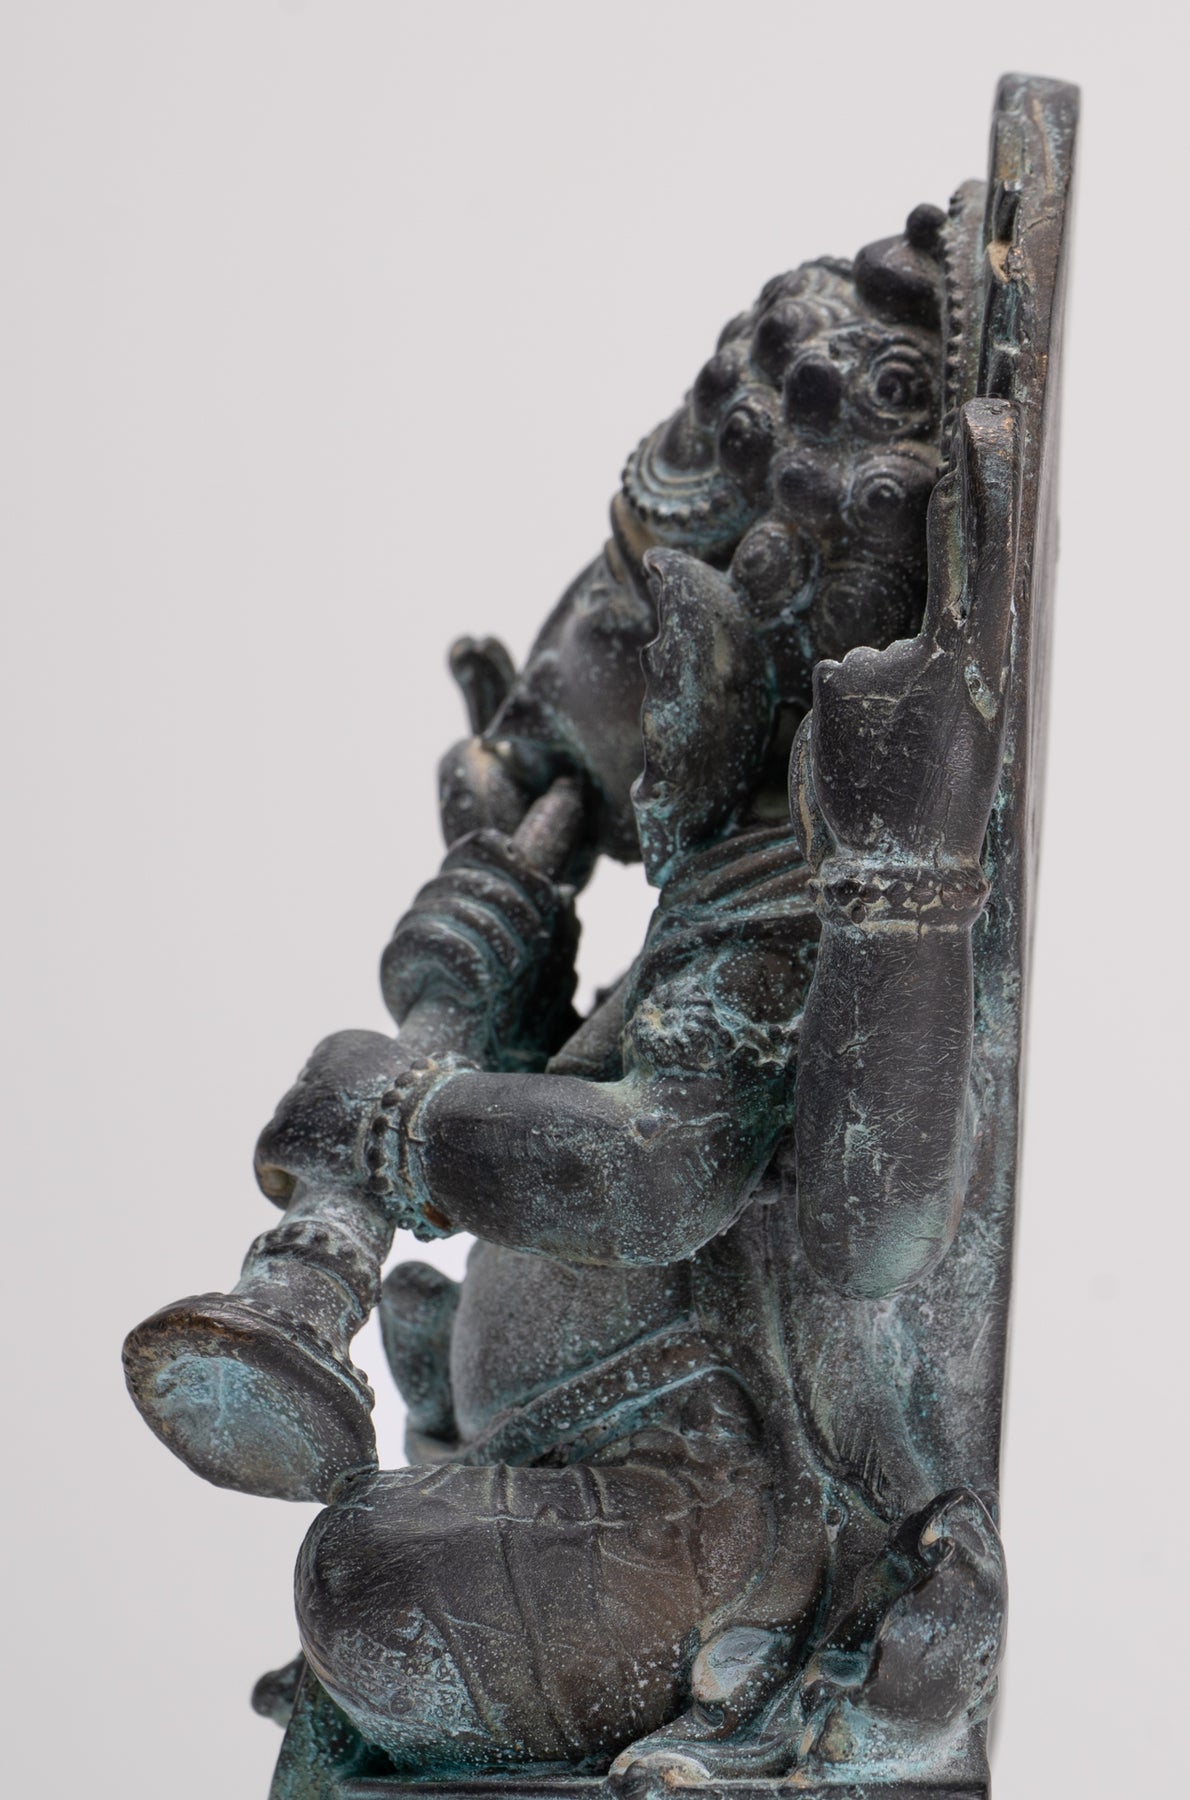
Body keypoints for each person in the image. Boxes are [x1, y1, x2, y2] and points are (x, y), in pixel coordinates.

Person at [252, 208, 1010, 1780]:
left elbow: (658, 1168)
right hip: (582, 1439)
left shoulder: (794, 889)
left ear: (724, 631)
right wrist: (510, 996)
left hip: (691, 1498)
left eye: (609, 621)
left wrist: (403, 1130)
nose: (547, 680)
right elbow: (576, 1113)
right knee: (372, 1589)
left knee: (376, 1594)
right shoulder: (725, 882)